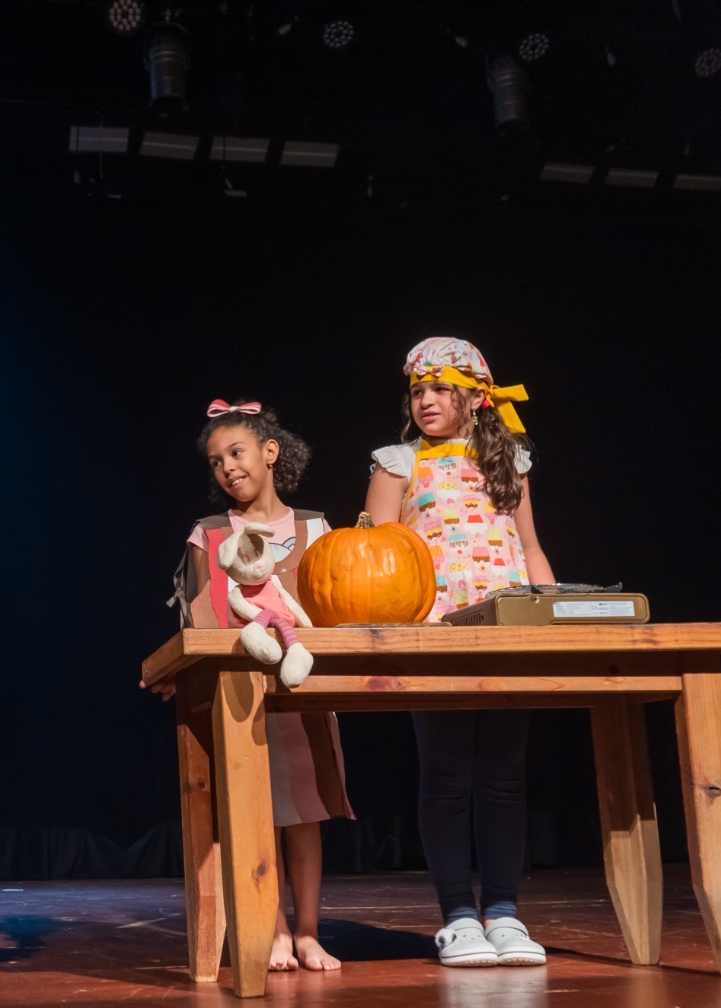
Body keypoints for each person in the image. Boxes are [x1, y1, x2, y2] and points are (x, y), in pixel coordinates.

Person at [363, 337, 555, 967]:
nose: (425, 401)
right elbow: (374, 556)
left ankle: (503, 911)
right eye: (417, 390)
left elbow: (530, 549)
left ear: (476, 397)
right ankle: (458, 917)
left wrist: (556, 615)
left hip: (506, 631)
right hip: (436, 634)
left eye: (440, 389)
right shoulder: (398, 462)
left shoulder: (511, 463)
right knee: (446, 776)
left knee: (504, 775)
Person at [168, 399, 354, 972]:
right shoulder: (211, 534)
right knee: (256, 816)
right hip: (241, 697)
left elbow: (336, 602)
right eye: (216, 461)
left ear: (270, 453)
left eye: (236, 452)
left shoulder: (313, 528)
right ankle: (270, 929)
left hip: (303, 694)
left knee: (305, 814)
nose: (226, 467)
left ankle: (307, 932)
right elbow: (198, 615)